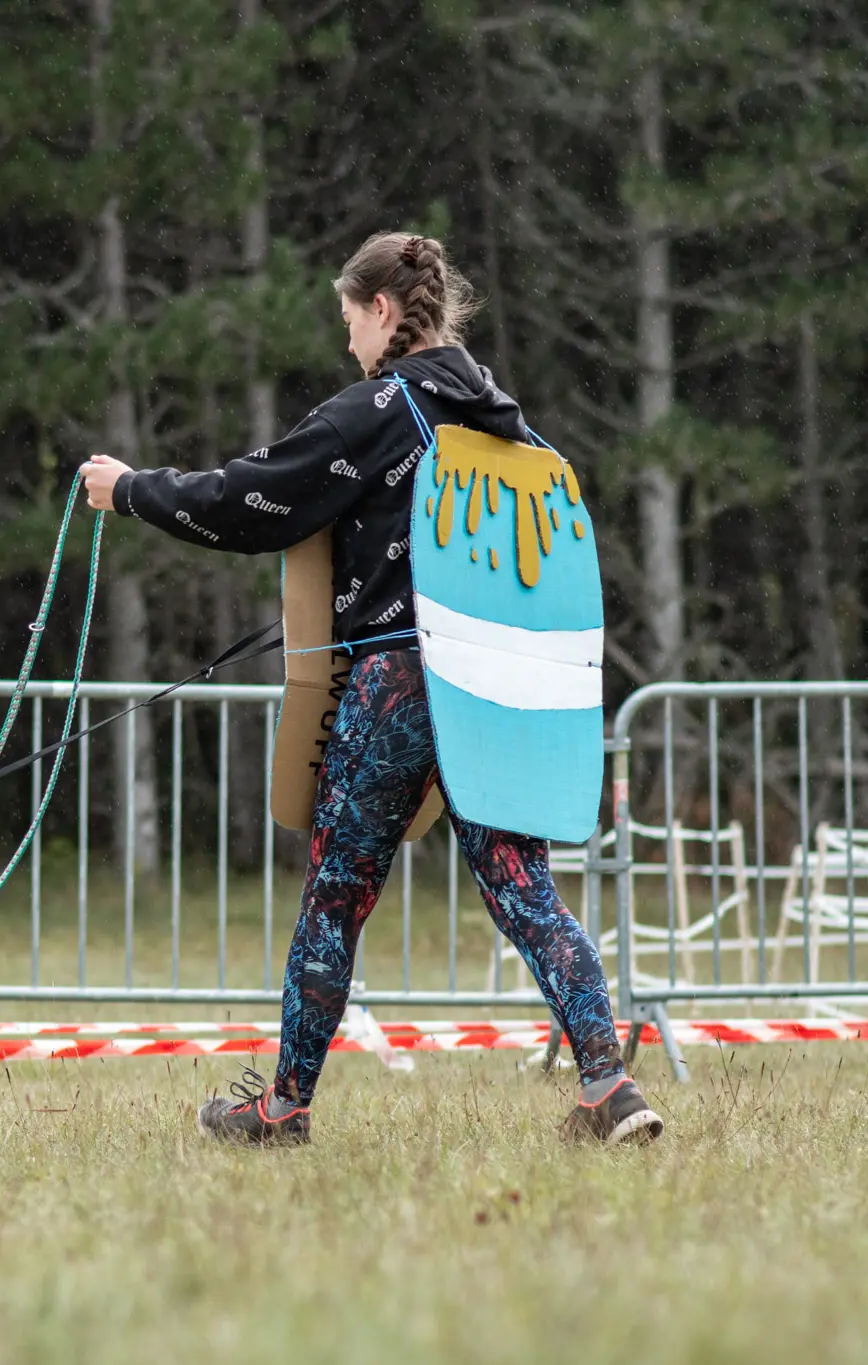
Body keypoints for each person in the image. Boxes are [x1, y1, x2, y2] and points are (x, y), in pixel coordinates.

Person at [79, 231, 662, 1147]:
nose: (348, 340)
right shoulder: (509, 421)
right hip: (488, 682)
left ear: (383, 312)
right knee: (523, 886)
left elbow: (251, 498)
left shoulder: (378, 407)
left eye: (350, 319)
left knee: (337, 892)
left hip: (397, 681)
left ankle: (284, 1107)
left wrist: (134, 489)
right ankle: (607, 1084)